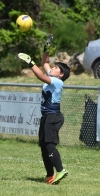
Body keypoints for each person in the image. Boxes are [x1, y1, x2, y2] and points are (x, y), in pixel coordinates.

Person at [18, 35, 70, 185]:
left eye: (55, 68)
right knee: (43, 146)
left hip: (54, 116)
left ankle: (60, 170)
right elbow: (45, 62)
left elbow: (40, 74)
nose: (51, 68)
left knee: (49, 144)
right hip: (47, 117)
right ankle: (50, 175)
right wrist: (46, 47)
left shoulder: (57, 82)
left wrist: (30, 62)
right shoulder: (53, 77)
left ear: (61, 74)